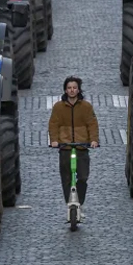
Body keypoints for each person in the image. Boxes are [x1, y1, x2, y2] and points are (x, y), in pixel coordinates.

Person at [48, 76, 98, 220]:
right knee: (66, 178)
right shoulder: (58, 107)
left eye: (74, 88)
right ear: (65, 89)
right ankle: (69, 202)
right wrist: (54, 141)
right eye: (69, 88)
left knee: (82, 177)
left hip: (82, 147)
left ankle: (79, 202)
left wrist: (93, 140)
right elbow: (53, 125)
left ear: (78, 89)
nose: (72, 90)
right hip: (65, 147)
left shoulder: (86, 107)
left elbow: (92, 124)